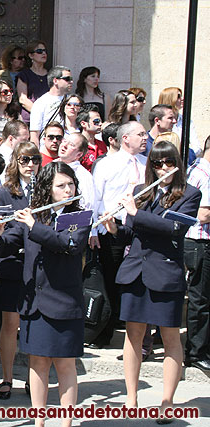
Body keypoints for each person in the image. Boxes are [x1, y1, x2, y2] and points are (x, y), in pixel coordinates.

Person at [102, 141, 200, 420]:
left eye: (169, 163)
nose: (163, 169)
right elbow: (132, 235)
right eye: (157, 164)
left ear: (178, 164)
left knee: (170, 337)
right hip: (136, 271)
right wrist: (114, 228)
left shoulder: (190, 194)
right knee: (133, 336)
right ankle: (131, 399)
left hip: (164, 273)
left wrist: (136, 213)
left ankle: (167, 401)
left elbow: (175, 229)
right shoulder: (142, 193)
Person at [0, 161, 90, 427]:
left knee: (65, 364)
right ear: (48, 188)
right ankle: (39, 420)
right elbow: (7, 247)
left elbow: (68, 245)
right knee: (38, 363)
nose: (68, 190)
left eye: (71, 184)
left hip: (65, 301)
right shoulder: (34, 215)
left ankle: (66, 422)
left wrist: (33, 226)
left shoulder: (79, 216)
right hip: (35, 301)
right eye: (61, 185)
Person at [89, 121, 148, 349]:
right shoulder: (107, 164)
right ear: (125, 138)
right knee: (110, 281)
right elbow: (96, 198)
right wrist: (94, 229)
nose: (144, 138)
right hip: (111, 229)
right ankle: (104, 332)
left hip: (138, 228)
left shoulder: (146, 164)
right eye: (140, 134)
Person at [0, 141, 40, 400]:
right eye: (25, 160)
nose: (30, 165)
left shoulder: (45, 188)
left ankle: (34, 378)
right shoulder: (5, 192)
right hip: (14, 261)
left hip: (39, 263)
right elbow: (3, 229)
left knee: (33, 324)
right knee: (10, 323)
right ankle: (7, 377)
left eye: (35, 159)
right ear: (15, 162)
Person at [184, 135, 210, 371]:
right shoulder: (204, 173)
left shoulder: (199, 170)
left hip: (200, 241)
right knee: (200, 298)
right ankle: (195, 352)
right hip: (199, 241)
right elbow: (202, 215)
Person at [29, 65, 72, 145]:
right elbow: (34, 134)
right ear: (55, 81)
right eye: (67, 79)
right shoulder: (41, 102)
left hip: (67, 149)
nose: (71, 82)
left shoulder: (72, 101)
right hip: (45, 149)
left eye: (71, 79)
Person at [158, 87, 201, 155]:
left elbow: (196, 147)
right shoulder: (160, 120)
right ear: (169, 99)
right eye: (178, 97)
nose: (182, 99)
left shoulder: (187, 121)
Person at [57, 133, 95, 210]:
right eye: (64, 141)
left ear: (79, 154)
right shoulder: (50, 166)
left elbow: (87, 205)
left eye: (71, 145)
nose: (64, 145)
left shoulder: (83, 176)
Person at [17, 40, 49, 124]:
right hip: (30, 118)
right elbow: (23, 99)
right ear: (31, 55)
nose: (43, 53)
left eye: (45, 51)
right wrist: (39, 113)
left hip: (49, 118)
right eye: (39, 51)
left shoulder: (51, 74)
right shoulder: (24, 75)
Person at [77, 105, 105, 172]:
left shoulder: (102, 144)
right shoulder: (77, 145)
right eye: (96, 121)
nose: (101, 124)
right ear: (83, 124)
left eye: (101, 121)